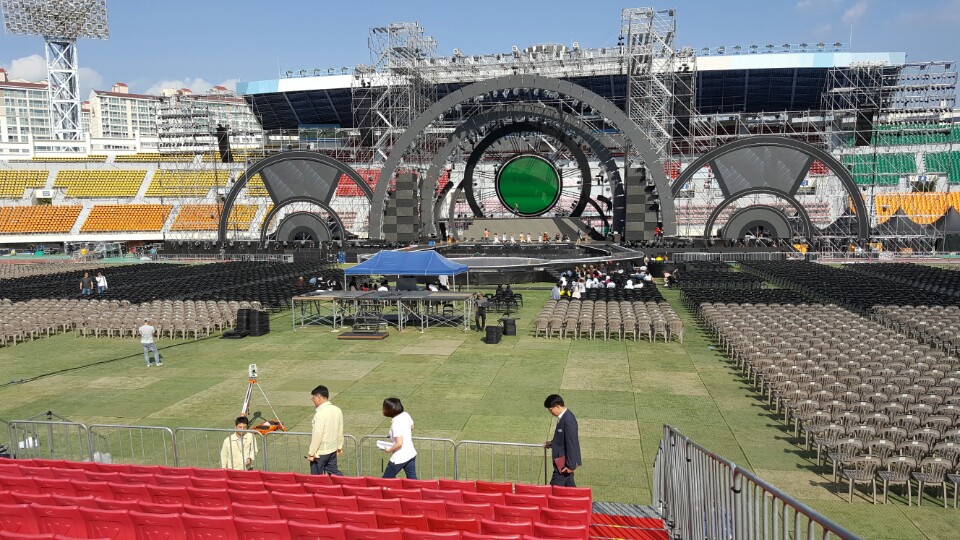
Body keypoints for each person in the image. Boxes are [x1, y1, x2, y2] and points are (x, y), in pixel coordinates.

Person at [544, 394, 581, 487]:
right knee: (570, 488)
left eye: (551, 410)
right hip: (562, 462)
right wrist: (552, 443)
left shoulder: (568, 420)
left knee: (553, 489)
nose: (550, 412)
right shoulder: (563, 418)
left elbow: (572, 443)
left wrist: (570, 466)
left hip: (563, 464)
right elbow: (562, 437)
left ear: (557, 406)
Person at [307, 385, 344, 475]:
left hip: (320, 452)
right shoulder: (337, 410)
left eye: (313, 398)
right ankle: (345, 483)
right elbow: (340, 430)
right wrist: (339, 446)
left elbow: (317, 435)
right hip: (332, 449)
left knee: (316, 478)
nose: (313, 400)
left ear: (319, 397)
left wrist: (311, 453)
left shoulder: (320, 414)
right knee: (334, 473)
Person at [381, 397, 417, 479]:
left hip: (399, 457)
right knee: (413, 480)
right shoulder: (405, 414)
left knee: (386, 480)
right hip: (410, 453)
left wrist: (389, 450)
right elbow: (412, 426)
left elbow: (399, 443)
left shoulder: (396, 423)